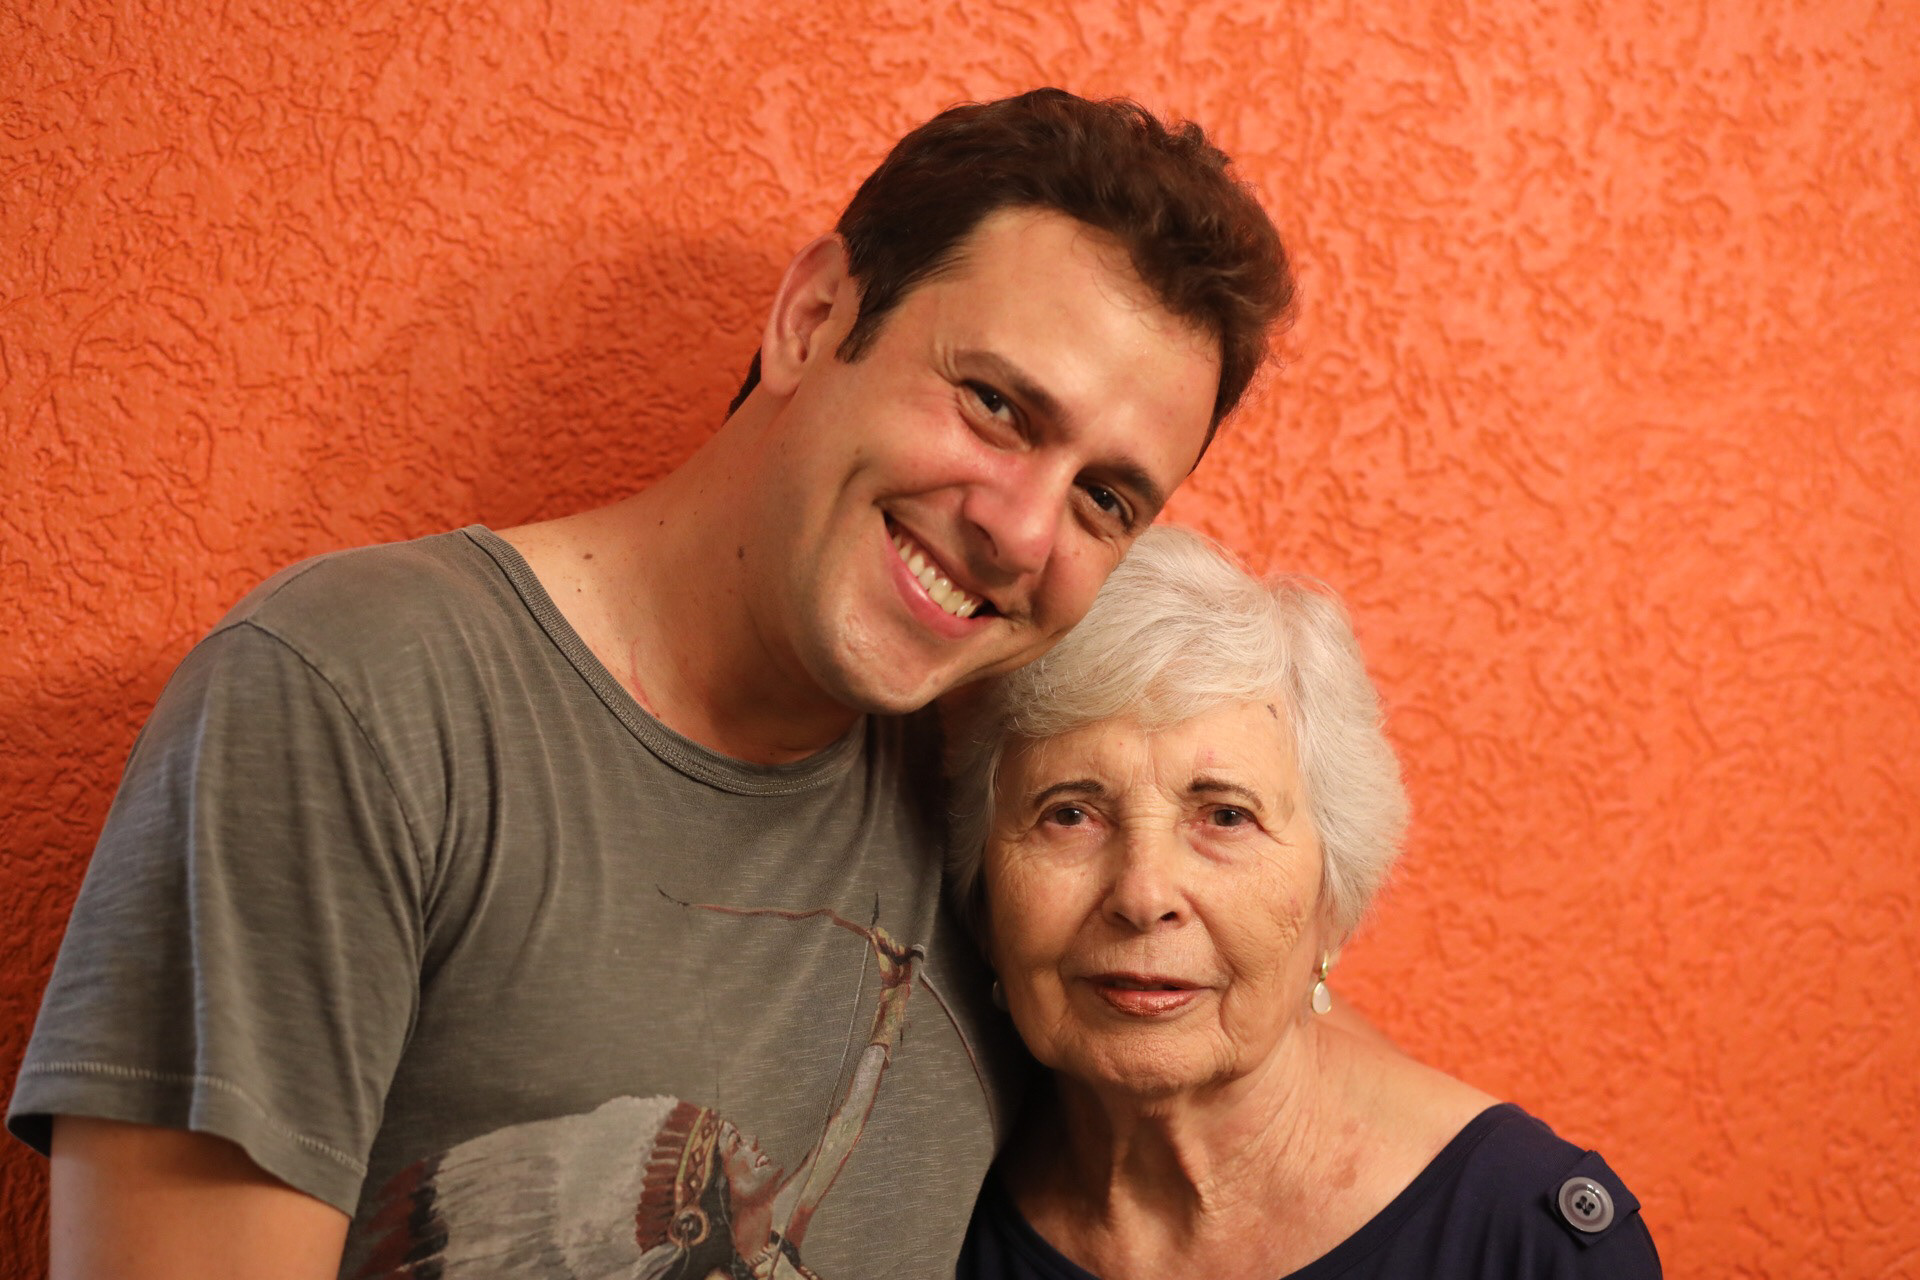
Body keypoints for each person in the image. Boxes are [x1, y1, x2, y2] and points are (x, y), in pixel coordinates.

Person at [8, 89, 1293, 1278]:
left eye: (1104, 497)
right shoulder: (359, 698)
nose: (1019, 530)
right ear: (812, 320)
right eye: (996, 406)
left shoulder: (1005, 804)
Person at [946, 527, 1662, 1279]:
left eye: (1226, 816)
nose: (1143, 895)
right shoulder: (924, 1212)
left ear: (1333, 901)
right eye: (1069, 814)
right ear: (984, 894)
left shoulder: (1526, 1242)